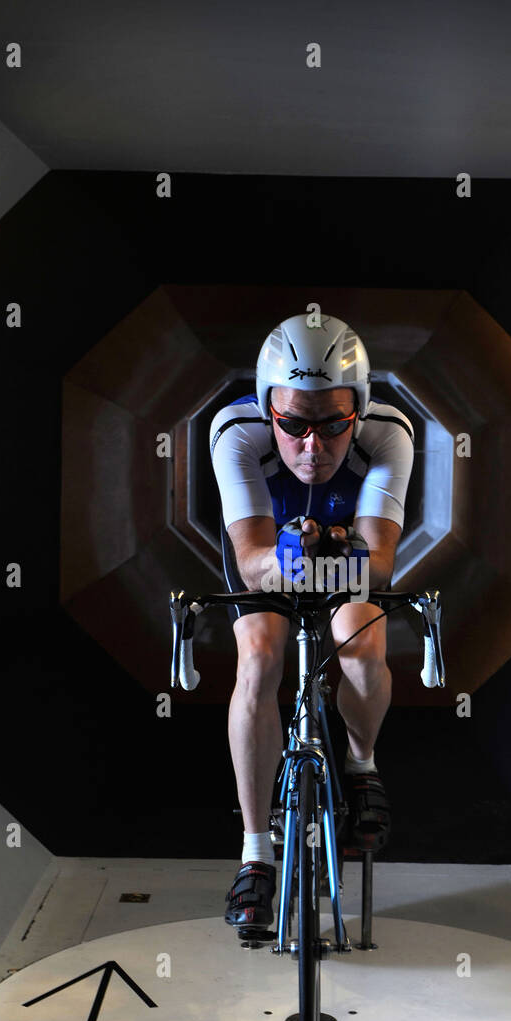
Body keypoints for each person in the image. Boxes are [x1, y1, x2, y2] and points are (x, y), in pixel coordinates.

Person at [209, 313, 414, 930]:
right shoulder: (236, 431)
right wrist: (289, 556)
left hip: (351, 551)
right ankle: (254, 854)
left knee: (360, 644)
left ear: (362, 409)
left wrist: (339, 552)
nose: (312, 447)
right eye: (293, 425)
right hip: (271, 552)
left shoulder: (391, 432)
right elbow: (250, 564)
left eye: (333, 426)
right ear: (268, 408)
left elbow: (376, 564)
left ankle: (360, 763)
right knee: (260, 659)